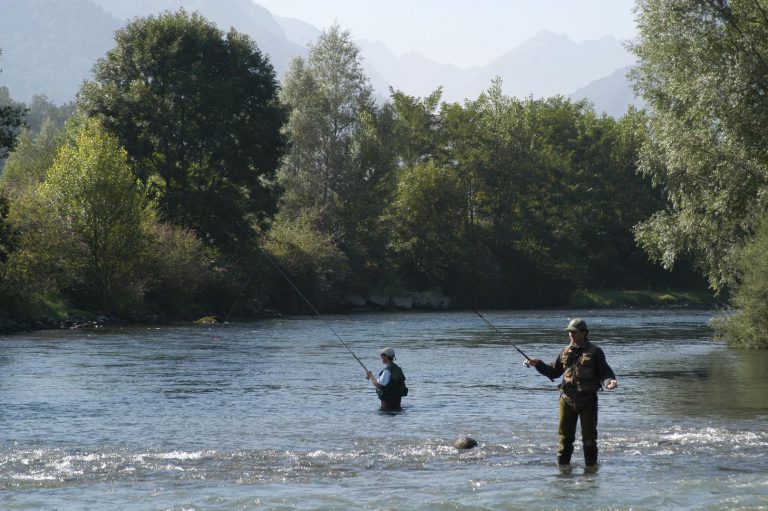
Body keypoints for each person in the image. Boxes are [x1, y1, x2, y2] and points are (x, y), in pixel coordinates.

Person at [523, 318, 617, 468]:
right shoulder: (564, 351)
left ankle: (591, 471)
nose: (570, 335)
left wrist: (610, 381)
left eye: (573, 332)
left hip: (588, 400)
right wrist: (538, 364)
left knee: (589, 439)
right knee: (565, 438)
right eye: (569, 332)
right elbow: (554, 372)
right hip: (566, 399)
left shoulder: (595, 352)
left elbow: (604, 372)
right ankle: (563, 471)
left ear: (584, 333)